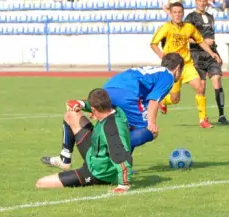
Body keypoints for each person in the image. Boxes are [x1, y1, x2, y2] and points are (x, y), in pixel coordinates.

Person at [41, 53, 185, 173]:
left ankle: (65, 157)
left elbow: (147, 99)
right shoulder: (168, 76)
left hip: (110, 86)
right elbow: (153, 100)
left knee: (126, 124)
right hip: (128, 93)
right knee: (149, 131)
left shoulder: (154, 71)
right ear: (178, 68)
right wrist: (151, 122)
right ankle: (111, 153)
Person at [37, 88, 132, 193]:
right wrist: (81, 104)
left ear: (94, 110)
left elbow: (122, 157)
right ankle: (64, 159)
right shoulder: (115, 109)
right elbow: (97, 105)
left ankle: (97, 178)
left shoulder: (111, 129)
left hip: (98, 173)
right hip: (94, 151)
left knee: (41, 183)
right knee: (71, 114)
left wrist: (123, 185)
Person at [150, 2, 222, 128]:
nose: (177, 15)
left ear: (183, 13)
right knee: (175, 99)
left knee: (200, 88)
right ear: (171, 14)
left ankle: (203, 120)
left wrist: (212, 53)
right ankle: (163, 101)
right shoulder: (166, 27)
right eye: (175, 12)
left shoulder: (189, 27)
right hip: (172, 68)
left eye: (179, 12)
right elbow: (153, 44)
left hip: (186, 64)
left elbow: (200, 41)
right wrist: (164, 57)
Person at [184, 0, 229, 125]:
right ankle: (203, 117)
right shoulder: (190, 18)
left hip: (212, 54)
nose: (202, 3)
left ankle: (222, 114)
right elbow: (187, 37)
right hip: (197, 56)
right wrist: (202, 41)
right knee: (202, 87)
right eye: (199, 1)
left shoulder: (210, 17)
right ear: (195, 1)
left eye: (204, 1)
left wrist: (212, 48)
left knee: (217, 80)